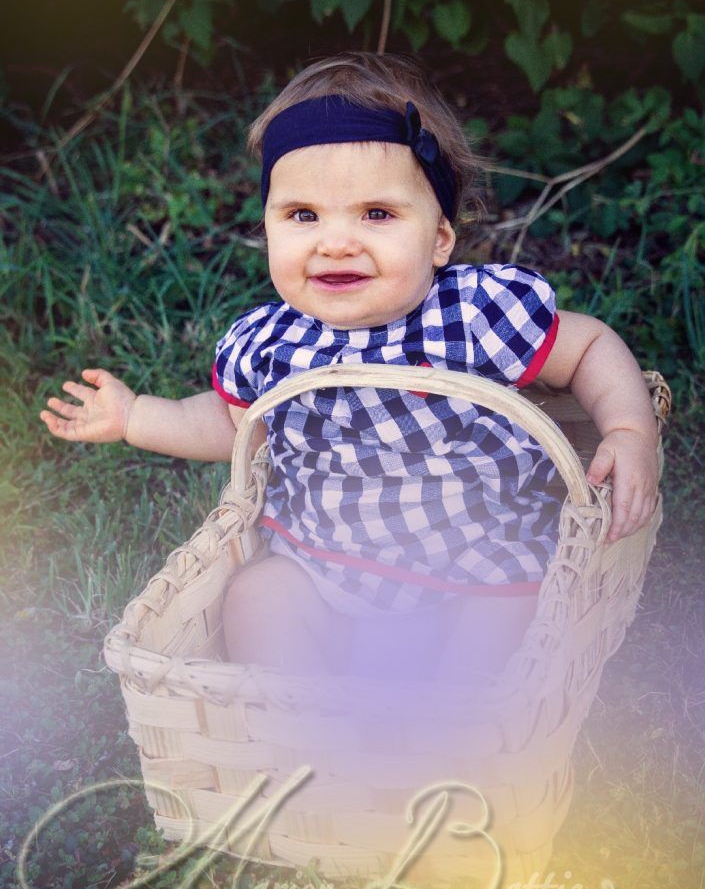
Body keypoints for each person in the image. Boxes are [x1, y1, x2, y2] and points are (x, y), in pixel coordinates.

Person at [39, 52, 660, 686]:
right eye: (303, 215)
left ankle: (454, 722)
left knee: (504, 621)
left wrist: (629, 433)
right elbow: (234, 426)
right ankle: (306, 719)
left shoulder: (471, 314)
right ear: (268, 225)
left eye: (377, 215)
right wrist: (136, 415)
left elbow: (588, 348)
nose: (336, 241)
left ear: (439, 237)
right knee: (259, 595)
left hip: (478, 565)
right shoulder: (272, 341)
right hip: (324, 566)